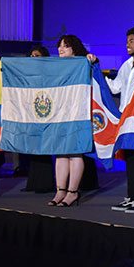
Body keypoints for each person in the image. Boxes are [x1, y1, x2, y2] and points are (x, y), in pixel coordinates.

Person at [89, 26, 134, 214]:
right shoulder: (127, 64)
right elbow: (114, 88)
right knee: (130, 158)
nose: (127, 44)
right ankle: (131, 196)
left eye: (131, 40)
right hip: (125, 118)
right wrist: (97, 71)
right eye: (127, 40)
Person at [48, 35, 94, 207]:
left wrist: (91, 60)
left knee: (75, 152)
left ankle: (73, 192)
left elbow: (93, 71)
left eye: (65, 46)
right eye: (59, 46)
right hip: (60, 113)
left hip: (78, 113)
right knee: (60, 152)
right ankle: (60, 190)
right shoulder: (56, 66)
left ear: (74, 48)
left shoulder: (84, 62)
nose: (61, 49)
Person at [21, 46, 57, 194]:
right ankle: (34, 183)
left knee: (44, 146)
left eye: (37, 55)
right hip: (31, 112)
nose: (33, 57)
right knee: (34, 146)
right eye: (31, 55)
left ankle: (45, 183)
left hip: (45, 110)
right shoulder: (26, 73)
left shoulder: (50, 72)